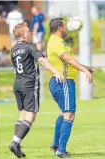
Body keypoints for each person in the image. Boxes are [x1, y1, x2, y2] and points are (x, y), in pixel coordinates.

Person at [9, 22, 65, 158]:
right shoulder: (30, 46)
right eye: (28, 31)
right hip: (29, 84)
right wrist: (56, 72)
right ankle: (15, 143)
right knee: (31, 116)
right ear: (23, 34)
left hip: (17, 84)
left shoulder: (14, 49)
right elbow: (42, 60)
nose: (31, 33)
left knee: (22, 115)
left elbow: (15, 67)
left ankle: (16, 143)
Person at [47, 18, 93, 158]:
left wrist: (85, 68)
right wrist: (84, 71)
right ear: (59, 27)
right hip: (63, 82)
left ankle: (56, 145)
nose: (66, 28)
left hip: (63, 82)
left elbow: (70, 61)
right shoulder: (56, 42)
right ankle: (61, 150)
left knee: (64, 113)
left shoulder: (59, 41)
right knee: (69, 114)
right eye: (65, 26)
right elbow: (68, 60)